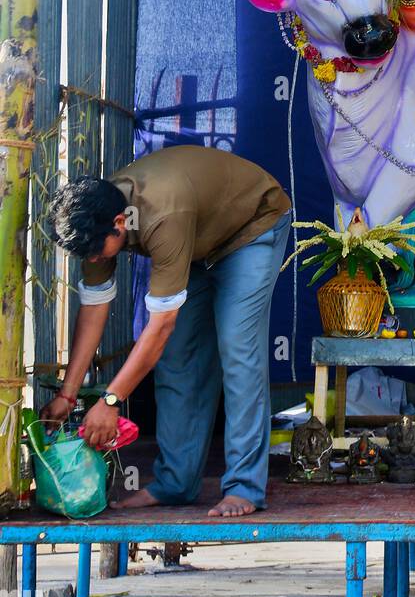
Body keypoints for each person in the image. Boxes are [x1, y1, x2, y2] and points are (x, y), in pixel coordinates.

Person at [41, 146, 291, 518]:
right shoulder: (92, 228)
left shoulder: (162, 213)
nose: (93, 260)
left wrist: (110, 401)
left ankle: (243, 486)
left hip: (249, 228)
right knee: (177, 360)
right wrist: (67, 394)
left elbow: (159, 327)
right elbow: (94, 311)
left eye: (95, 252)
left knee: (238, 350)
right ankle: (175, 484)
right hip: (194, 242)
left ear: (120, 223)